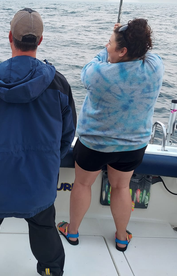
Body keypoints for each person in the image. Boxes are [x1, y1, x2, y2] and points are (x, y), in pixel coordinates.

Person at [0, 8, 77, 276]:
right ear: (40, 41)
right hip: (39, 182)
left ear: (9, 37)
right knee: (44, 228)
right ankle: (50, 270)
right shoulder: (59, 85)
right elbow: (67, 135)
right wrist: (48, 165)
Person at [57, 18, 164, 252]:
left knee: (83, 185)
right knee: (121, 188)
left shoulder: (98, 73)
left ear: (123, 50)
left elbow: (92, 66)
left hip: (94, 144)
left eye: (110, 42)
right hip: (133, 146)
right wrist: (121, 36)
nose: (107, 46)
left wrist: (111, 43)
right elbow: (144, 51)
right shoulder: (155, 66)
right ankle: (122, 236)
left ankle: (72, 231)